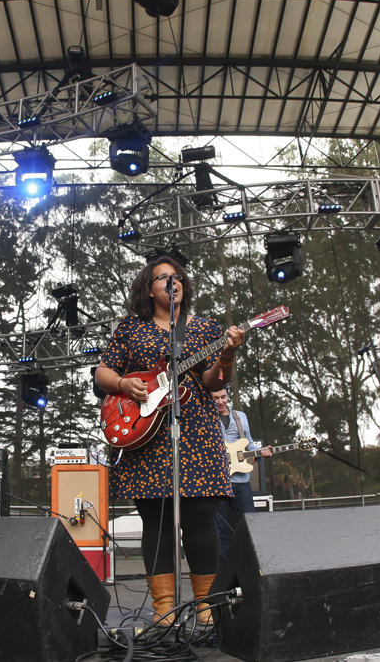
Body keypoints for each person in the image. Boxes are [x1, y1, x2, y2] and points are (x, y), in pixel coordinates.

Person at [94, 256, 245, 626]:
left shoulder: (206, 328)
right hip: (147, 435)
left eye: (176, 277)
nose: (171, 282)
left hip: (197, 430)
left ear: (184, 286)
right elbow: (102, 372)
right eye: (162, 277)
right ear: (149, 288)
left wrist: (227, 353)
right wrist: (123, 383)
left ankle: (206, 607)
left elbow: (214, 383)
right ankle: (163, 610)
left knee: (201, 517)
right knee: (156, 520)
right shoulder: (132, 328)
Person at [212, 387, 271, 562]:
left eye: (223, 397)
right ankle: (222, 573)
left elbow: (249, 444)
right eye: (216, 398)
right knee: (218, 530)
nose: (221, 401)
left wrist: (260, 453)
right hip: (217, 483)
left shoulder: (241, 417)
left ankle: (254, 564)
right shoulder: (205, 417)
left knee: (250, 524)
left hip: (240, 480)